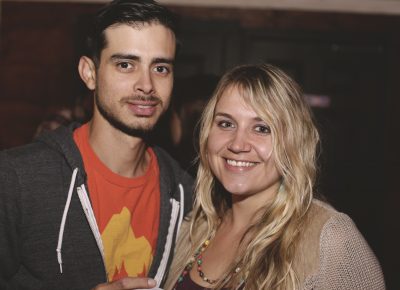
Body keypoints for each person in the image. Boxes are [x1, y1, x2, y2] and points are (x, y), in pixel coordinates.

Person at [0, 1, 193, 290]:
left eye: (161, 67)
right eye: (126, 65)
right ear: (89, 72)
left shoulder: (185, 192)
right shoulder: (17, 177)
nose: (147, 85)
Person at [164, 63, 385, 290]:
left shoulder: (329, 237)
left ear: (294, 141)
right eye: (226, 124)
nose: (238, 144)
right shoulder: (195, 226)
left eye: (262, 128)